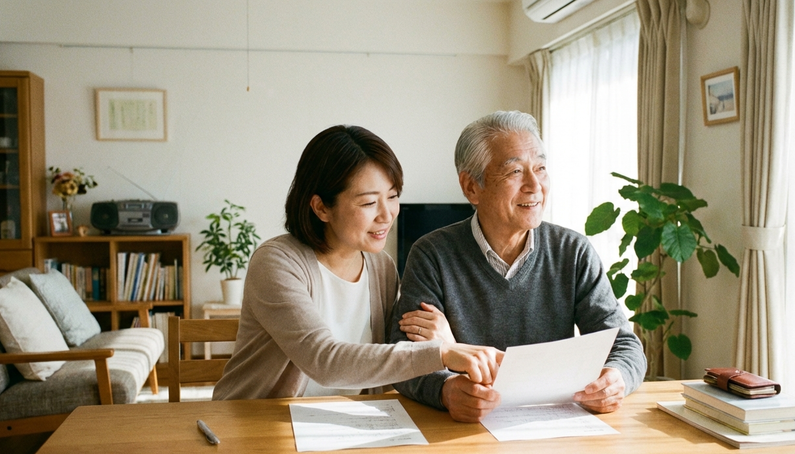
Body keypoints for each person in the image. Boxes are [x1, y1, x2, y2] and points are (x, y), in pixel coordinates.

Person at [388, 111, 647, 422]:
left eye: (540, 168)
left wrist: (617, 378)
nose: (534, 185)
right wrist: (446, 389)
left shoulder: (573, 252)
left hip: (554, 429)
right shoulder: (432, 255)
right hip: (464, 434)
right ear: (472, 187)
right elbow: (403, 359)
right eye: (515, 172)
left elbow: (624, 343)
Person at [213, 125, 502, 401]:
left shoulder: (382, 268)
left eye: (392, 196)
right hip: (253, 423)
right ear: (321, 207)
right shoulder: (276, 262)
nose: (387, 214)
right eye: (368, 203)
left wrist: (443, 337)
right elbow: (323, 360)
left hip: (339, 423)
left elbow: (390, 360)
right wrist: (441, 351)